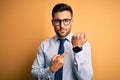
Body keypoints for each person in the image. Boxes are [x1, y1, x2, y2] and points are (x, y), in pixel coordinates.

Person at [31, 3, 93, 80]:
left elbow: (86, 78)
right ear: (52, 22)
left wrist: (77, 49)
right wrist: (51, 70)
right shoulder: (44, 45)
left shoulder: (83, 44)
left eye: (66, 20)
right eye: (57, 21)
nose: (62, 26)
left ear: (71, 21)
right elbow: (33, 75)